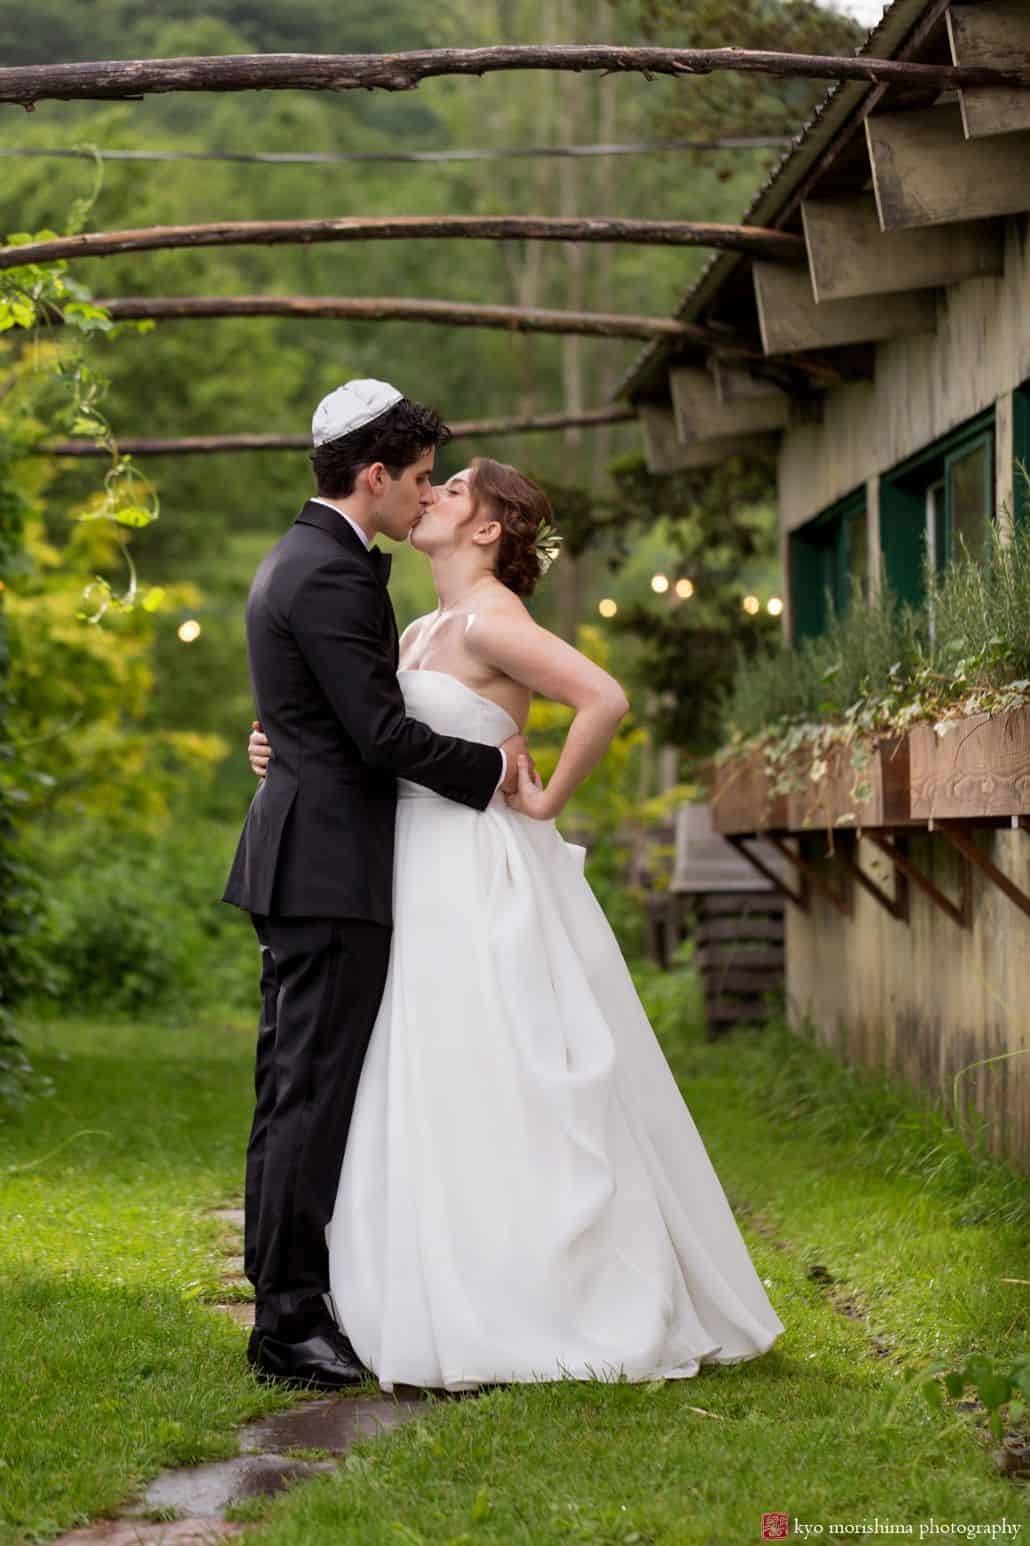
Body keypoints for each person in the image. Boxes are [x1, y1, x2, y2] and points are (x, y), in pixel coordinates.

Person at [246, 452, 786, 1393]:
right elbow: (372, 730)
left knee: (498, 1066)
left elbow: (602, 699)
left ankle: (531, 1288)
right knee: (410, 1075)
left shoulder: (496, 617)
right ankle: (392, 1286)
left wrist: (544, 803)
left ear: (488, 527)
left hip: (473, 868)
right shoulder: (417, 628)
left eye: (452, 489)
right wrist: (283, 742)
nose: (432, 494)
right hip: (403, 869)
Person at [223, 380, 532, 1392]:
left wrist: (282, 738)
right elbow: (378, 733)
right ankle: (287, 1322)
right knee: (304, 1095)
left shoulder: (318, 560)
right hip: (325, 867)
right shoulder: (329, 574)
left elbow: (326, 716)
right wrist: (493, 774)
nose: (424, 494)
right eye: (418, 479)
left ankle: (294, 1299)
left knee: (300, 1090)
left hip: (318, 856)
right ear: (373, 477)